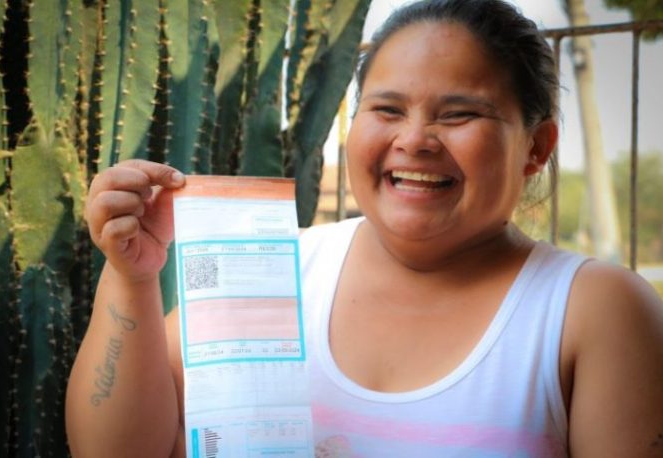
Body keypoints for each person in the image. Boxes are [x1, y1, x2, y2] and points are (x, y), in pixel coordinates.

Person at [65, 0, 663, 456]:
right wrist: (132, 277)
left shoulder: (594, 309)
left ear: (537, 146)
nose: (415, 140)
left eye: (459, 114)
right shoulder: (277, 271)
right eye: (387, 109)